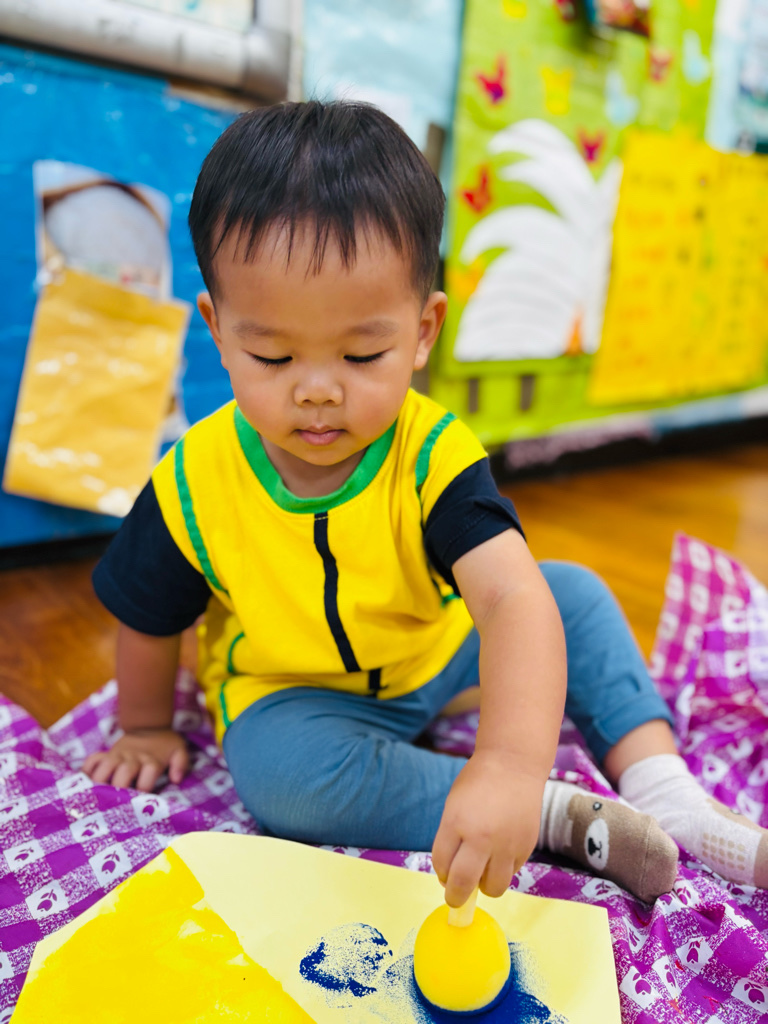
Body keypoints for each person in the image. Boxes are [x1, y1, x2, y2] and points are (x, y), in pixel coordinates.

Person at [85, 101, 768, 906]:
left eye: (361, 354)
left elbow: (509, 598)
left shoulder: (432, 455)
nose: (317, 390)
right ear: (218, 330)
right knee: (275, 777)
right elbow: (148, 614)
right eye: (272, 356)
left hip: (437, 656)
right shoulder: (191, 481)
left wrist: (507, 760)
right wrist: (144, 726)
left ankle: (666, 791)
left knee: (569, 597)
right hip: (297, 701)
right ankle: (558, 816)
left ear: (421, 330)